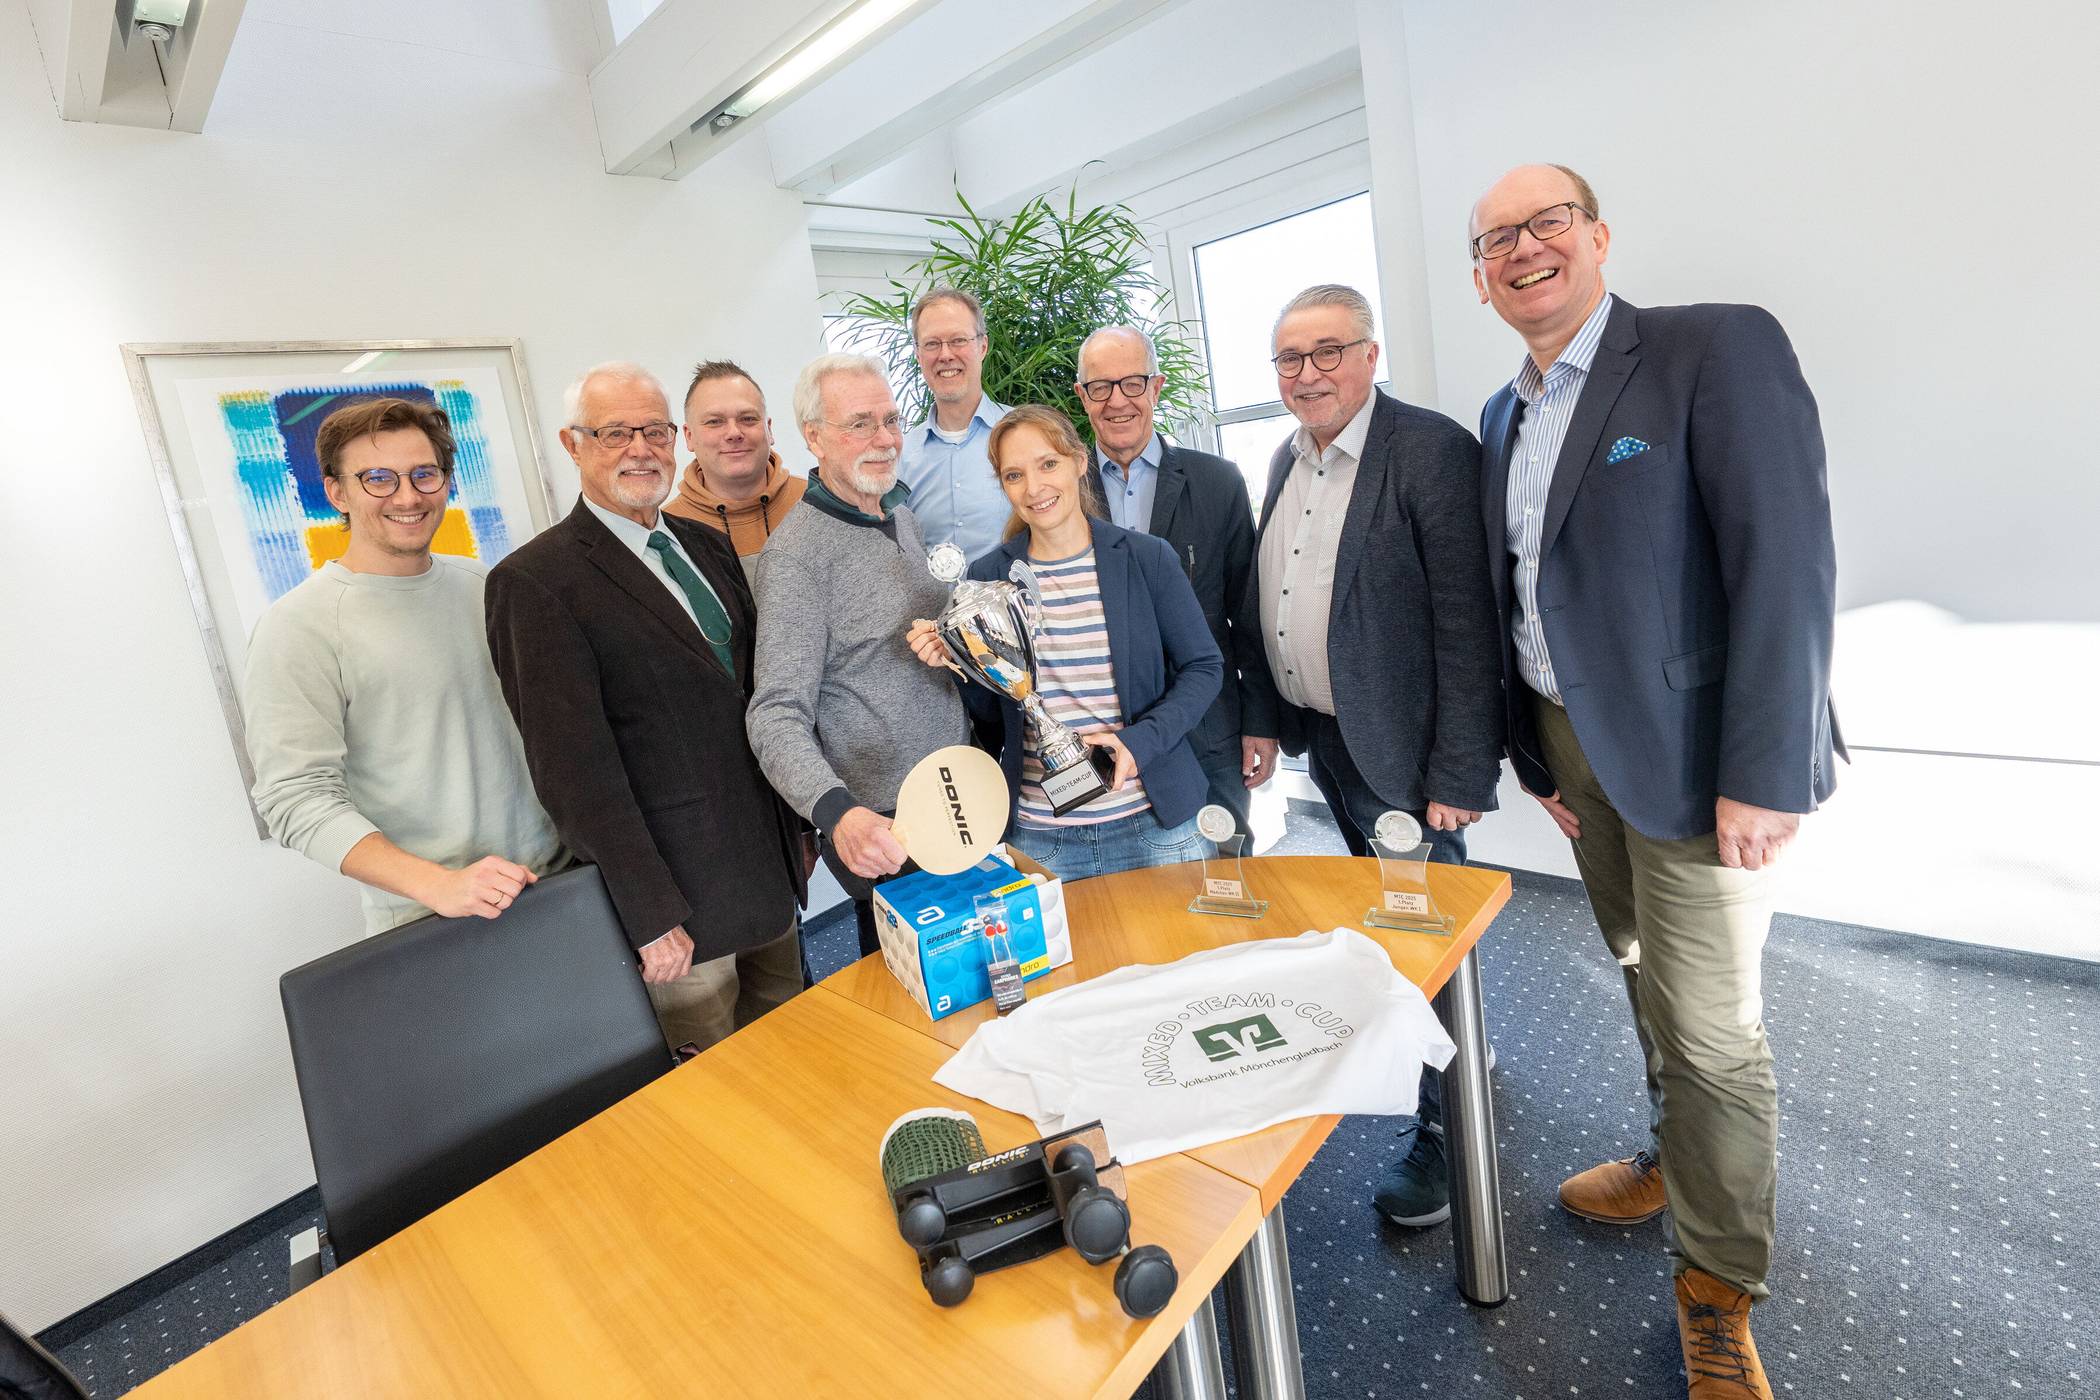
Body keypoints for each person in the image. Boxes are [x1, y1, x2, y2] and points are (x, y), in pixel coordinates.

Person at [1469, 164, 1842, 1400]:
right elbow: (1524, 589)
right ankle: (1670, 1155)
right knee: (1641, 980)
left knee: (1717, 1033)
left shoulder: (1711, 350)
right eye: (1496, 240)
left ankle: (1719, 1290)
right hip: (1578, 752)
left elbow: (1785, 561)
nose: (1522, 250)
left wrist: (1765, 768)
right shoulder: (1499, 415)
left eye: (1545, 223)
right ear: (1480, 275)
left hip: (1697, 760)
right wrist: (1535, 755)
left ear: (1597, 236)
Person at [1253, 284, 1505, 1229]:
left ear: (1369, 355)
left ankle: (1449, 1131)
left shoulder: (1430, 450)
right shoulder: (1291, 457)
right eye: (1288, 360)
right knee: (1398, 934)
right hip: (1340, 749)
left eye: (1327, 352)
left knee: (1425, 941)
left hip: (1410, 762)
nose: (1307, 374)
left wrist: (1456, 777)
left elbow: (1466, 624)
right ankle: (1463, 1056)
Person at [485, 362, 806, 1053]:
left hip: (767, 876)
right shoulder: (537, 582)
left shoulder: (705, 546)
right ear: (574, 445)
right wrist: (650, 912)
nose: (640, 449)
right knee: (708, 1103)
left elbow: (751, 701)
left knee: (795, 1060)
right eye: (614, 433)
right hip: (679, 911)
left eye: (654, 431)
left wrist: (795, 834)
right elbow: (572, 774)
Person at [245, 397, 565, 934]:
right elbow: (294, 798)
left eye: (425, 474)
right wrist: (440, 884)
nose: (408, 497)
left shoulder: (487, 586)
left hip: (558, 886)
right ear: (336, 492)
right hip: (431, 918)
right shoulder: (298, 626)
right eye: (378, 479)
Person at [906, 404, 1222, 883]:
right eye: (1014, 475)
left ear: (1079, 461)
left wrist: (1138, 742)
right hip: (1042, 838)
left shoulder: (1146, 559)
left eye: (1048, 464)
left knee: (1187, 959)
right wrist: (955, 666)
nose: (1034, 488)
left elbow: (1204, 668)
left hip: (1157, 822)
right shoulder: (986, 578)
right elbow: (997, 713)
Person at [746, 353, 970, 958]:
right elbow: (774, 715)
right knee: (920, 1000)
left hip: (957, 792)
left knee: (991, 973)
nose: (884, 439)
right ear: (814, 437)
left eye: (892, 419)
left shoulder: (900, 515)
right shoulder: (796, 559)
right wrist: (838, 815)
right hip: (886, 824)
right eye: (860, 424)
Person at [1076, 325, 1281, 836]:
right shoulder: (1060, 491)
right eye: (1100, 387)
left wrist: (1260, 720)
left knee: (1223, 881)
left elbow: (1248, 612)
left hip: (1207, 729)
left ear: (1157, 387)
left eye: (1132, 383)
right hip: (1101, 734)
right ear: (1082, 397)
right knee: (1126, 896)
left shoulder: (1217, 482)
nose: (1117, 401)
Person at [896, 286, 1010, 561]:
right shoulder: (900, 455)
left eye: (958, 340)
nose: (945, 355)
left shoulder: (1024, 434)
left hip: (1018, 603)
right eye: (932, 343)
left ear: (982, 346)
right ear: (918, 354)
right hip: (931, 605)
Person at [662, 358, 805, 577]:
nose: (734, 433)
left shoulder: (815, 504)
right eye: (714, 422)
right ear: (689, 436)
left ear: (769, 429)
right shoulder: (668, 531)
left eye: (747, 418)